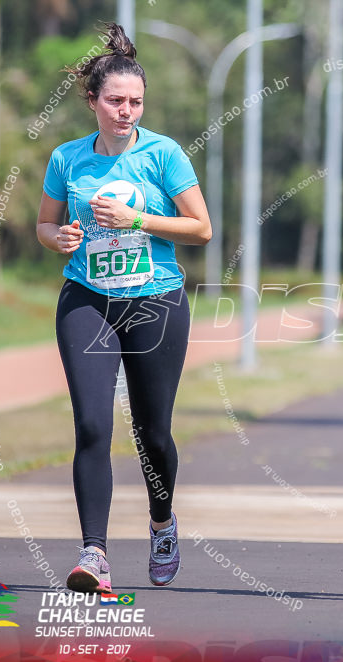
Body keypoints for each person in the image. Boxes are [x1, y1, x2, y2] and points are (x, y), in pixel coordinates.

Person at [36, 23, 212, 593]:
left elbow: (201, 228)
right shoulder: (67, 159)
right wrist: (56, 239)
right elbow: (45, 223)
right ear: (92, 101)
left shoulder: (163, 156)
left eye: (135, 101)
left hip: (155, 301)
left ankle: (162, 521)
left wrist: (136, 220)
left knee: (152, 433)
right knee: (92, 424)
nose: (125, 111)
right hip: (87, 299)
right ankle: (95, 554)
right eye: (114, 101)